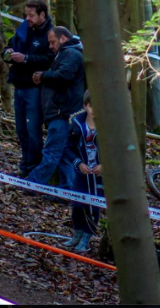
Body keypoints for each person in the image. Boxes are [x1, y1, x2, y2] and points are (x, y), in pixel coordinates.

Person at [25, 25, 85, 186]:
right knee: (64, 154)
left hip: (63, 112)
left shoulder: (71, 54)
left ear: (63, 38)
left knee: (52, 151)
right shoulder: (64, 54)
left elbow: (64, 75)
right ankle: (66, 190)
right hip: (61, 112)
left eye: (52, 42)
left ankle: (32, 183)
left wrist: (43, 76)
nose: (50, 46)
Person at [2, 0, 54, 177]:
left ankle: (33, 168)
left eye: (31, 15)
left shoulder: (50, 34)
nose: (28, 18)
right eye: (26, 15)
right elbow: (10, 44)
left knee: (33, 130)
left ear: (42, 14)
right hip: (20, 84)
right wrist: (7, 53)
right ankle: (25, 165)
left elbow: (50, 59)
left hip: (35, 88)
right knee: (21, 129)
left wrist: (26, 58)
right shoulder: (23, 29)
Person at [61, 90, 102, 253]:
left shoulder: (109, 128)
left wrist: (104, 165)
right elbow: (68, 147)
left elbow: (115, 151)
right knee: (78, 204)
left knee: (93, 206)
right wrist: (78, 163)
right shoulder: (77, 124)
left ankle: (86, 237)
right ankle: (77, 234)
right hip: (81, 172)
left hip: (99, 176)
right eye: (93, 107)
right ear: (86, 106)